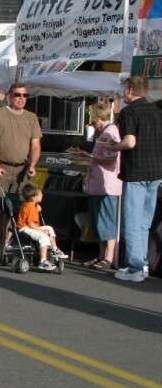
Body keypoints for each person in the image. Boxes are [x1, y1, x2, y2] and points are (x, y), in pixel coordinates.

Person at [105, 76, 162, 282]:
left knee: (131, 221)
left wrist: (112, 147)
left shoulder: (129, 112)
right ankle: (142, 264)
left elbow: (129, 142)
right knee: (144, 223)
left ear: (130, 89)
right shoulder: (157, 111)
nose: (123, 94)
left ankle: (135, 267)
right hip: (156, 172)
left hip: (136, 171)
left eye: (124, 90)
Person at [0, 83, 42, 259]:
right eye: (17, 95)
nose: (21, 98)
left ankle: (5, 247)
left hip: (21, 170)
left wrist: (32, 165)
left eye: (25, 95)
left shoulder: (31, 118)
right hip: (2, 167)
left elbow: (35, 146)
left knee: (15, 210)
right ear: (9, 96)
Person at [74, 102, 121, 270]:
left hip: (108, 185)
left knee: (107, 220)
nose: (93, 124)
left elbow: (111, 157)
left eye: (94, 121)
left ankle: (109, 257)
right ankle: (101, 255)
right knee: (98, 221)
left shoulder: (110, 132)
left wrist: (90, 156)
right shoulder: (104, 132)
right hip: (99, 184)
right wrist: (89, 156)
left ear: (99, 118)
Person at [17, 183, 67, 271]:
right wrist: (41, 231)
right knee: (43, 236)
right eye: (40, 194)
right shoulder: (30, 207)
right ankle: (43, 261)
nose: (42, 195)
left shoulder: (29, 204)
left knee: (49, 228)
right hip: (25, 228)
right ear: (33, 197)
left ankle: (55, 249)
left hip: (28, 227)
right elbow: (31, 224)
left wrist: (36, 206)